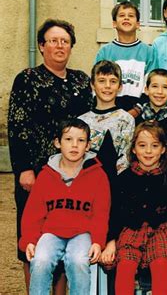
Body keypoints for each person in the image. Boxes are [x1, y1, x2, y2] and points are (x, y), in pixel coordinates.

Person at [8, 18, 93, 292]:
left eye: (65, 41)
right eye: (53, 40)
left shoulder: (80, 81)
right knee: (34, 238)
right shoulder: (28, 79)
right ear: (42, 46)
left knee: (65, 235)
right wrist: (24, 168)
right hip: (37, 172)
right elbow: (17, 125)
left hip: (72, 174)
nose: (60, 46)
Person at [19, 118, 110, 295]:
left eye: (81, 140)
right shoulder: (46, 175)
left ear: (88, 145)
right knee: (41, 260)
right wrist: (29, 240)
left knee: (78, 261)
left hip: (82, 233)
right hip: (51, 231)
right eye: (68, 139)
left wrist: (98, 242)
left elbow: (101, 213)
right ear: (57, 143)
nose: (74, 145)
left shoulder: (98, 175)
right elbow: (32, 213)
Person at [101, 121, 167, 294]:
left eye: (154, 146)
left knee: (160, 266)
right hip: (131, 229)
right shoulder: (124, 178)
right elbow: (115, 212)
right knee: (125, 266)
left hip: (162, 230)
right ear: (134, 149)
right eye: (142, 145)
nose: (148, 151)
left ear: (163, 149)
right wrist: (111, 241)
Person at [79, 60, 135, 182]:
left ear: (120, 87)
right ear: (93, 85)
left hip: (116, 184)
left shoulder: (126, 119)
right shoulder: (82, 121)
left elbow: (126, 158)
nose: (107, 86)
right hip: (86, 182)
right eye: (102, 81)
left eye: (113, 81)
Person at [95, 1, 154, 113]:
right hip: (110, 109)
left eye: (131, 16)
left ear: (138, 24)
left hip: (139, 111)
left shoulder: (148, 52)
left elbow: (151, 84)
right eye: (122, 15)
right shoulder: (105, 52)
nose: (126, 18)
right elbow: (97, 84)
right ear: (114, 23)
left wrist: (137, 110)